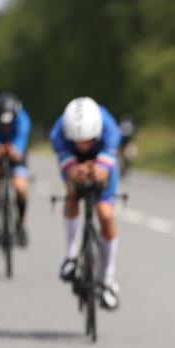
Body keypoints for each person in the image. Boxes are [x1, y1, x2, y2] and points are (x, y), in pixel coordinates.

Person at [50, 97, 122, 310]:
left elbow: (110, 153)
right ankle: (70, 256)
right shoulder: (59, 132)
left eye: (87, 140)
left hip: (102, 162)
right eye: (77, 141)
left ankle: (108, 277)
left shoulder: (109, 127)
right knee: (72, 193)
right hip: (74, 163)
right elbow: (64, 156)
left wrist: (101, 168)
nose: (82, 145)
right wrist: (74, 169)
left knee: (106, 214)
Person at [0, 93, 32, 246]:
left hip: (15, 148)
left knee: (21, 188)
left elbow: (21, 141)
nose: (5, 127)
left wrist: (15, 151)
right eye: (2, 124)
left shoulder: (23, 120)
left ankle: (21, 224)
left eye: (9, 124)